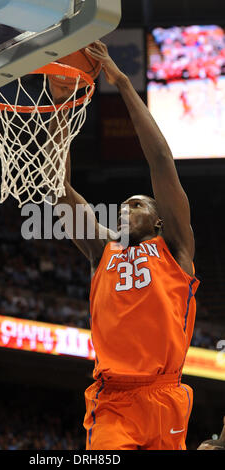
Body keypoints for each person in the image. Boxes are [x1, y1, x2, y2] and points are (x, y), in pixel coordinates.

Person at [48, 40, 200, 450]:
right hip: (115, 402)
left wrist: (121, 82)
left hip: (167, 395)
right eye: (120, 206)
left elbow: (161, 161)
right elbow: (59, 187)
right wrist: (62, 108)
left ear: (160, 219)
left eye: (135, 204)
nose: (123, 210)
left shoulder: (176, 249)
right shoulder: (103, 250)